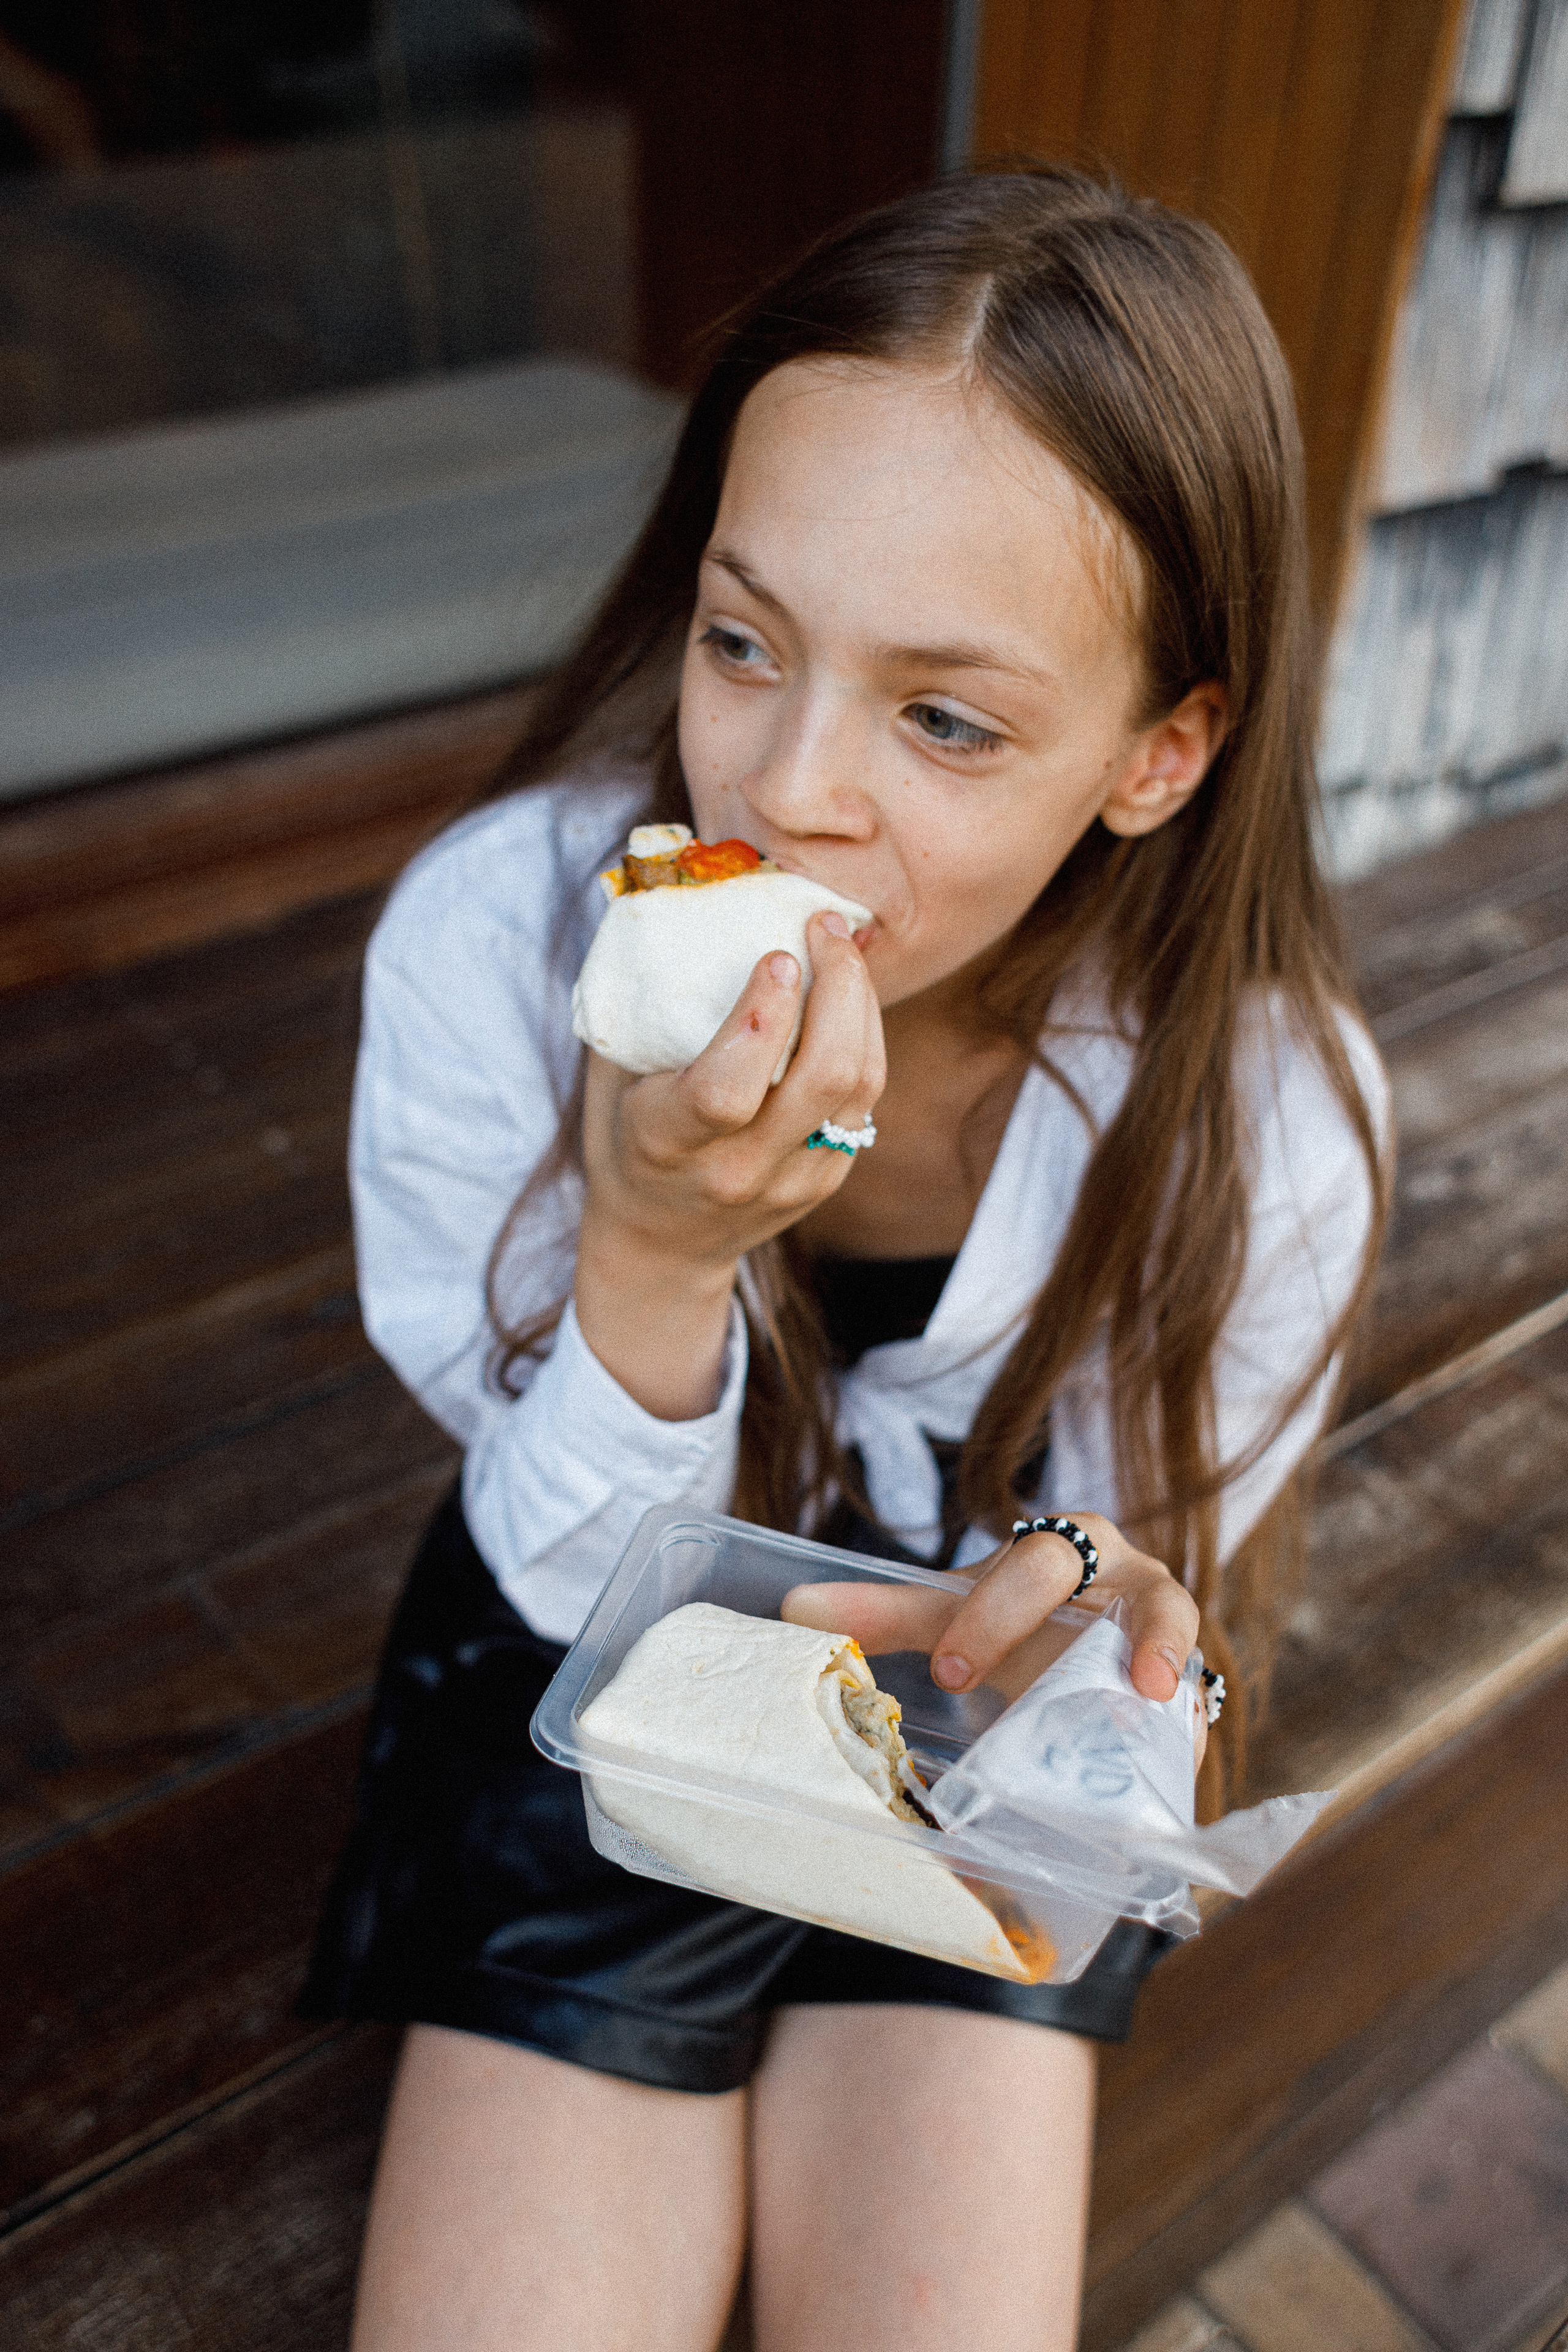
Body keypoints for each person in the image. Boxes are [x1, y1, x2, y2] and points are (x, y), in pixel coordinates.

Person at [304, 167, 1388, 2351]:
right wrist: (649, 1245)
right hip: (589, 1684)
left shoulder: (1255, 1123)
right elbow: (554, 1558)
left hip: (984, 1742)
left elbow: (1126, 1551)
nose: (791, 784)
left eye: (948, 720)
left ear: (1162, 753)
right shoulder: (490, 958)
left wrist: (1094, 1580)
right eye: (743, 639)